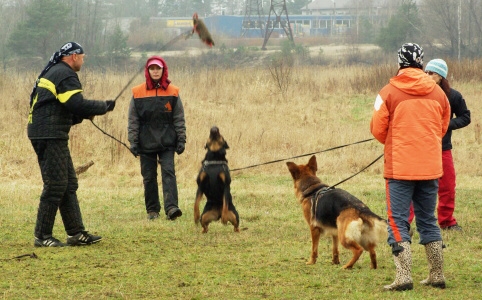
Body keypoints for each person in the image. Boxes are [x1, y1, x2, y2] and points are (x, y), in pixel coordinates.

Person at [370, 43, 451, 291]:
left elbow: (377, 129)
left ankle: (404, 276)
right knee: (427, 219)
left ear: (399, 62)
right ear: (421, 62)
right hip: (430, 166)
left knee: (397, 221)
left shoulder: (387, 92)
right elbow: (442, 127)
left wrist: (396, 142)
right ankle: (436, 274)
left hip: (400, 169)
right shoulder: (439, 94)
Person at [28, 42, 116, 247]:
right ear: (73, 56)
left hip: (48, 133)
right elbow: (75, 103)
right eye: (83, 56)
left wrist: (83, 115)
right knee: (56, 185)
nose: (84, 60)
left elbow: (61, 108)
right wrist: (103, 106)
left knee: (68, 183)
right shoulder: (65, 74)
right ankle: (42, 236)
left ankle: (76, 233)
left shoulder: (56, 71)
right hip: (48, 135)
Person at [408, 59, 471, 231]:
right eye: (426, 72)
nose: (427, 76)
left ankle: (447, 221)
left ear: (441, 77)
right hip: (419, 149)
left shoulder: (454, 96)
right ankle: (405, 222)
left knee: (447, 187)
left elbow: (466, 117)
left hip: (442, 148)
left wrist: (446, 124)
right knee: (411, 186)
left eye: (432, 73)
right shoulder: (417, 93)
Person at [128, 55, 186, 221]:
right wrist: (133, 141)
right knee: (149, 177)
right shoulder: (137, 92)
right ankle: (152, 210)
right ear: (148, 71)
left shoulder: (173, 92)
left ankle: (172, 208)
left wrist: (181, 139)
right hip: (145, 143)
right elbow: (133, 120)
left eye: (158, 68)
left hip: (168, 142)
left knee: (169, 173)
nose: (155, 71)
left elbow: (179, 118)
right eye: (152, 68)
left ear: (163, 70)